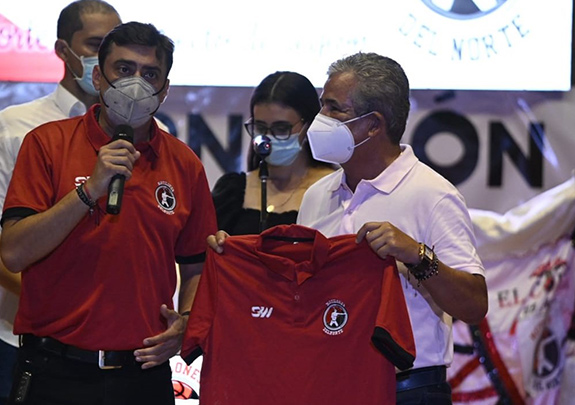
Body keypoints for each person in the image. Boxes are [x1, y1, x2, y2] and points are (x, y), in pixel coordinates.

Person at [208, 51, 488, 404]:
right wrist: (237, 259)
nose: (318, 120)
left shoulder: (432, 194)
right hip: (326, 383)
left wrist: (416, 256)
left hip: (406, 390)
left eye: (333, 109)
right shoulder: (317, 196)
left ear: (373, 124)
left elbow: (474, 305)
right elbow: (296, 296)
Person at [0, 21, 217, 404]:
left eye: (150, 74)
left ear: (164, 90)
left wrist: (185, 323)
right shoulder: (47, 144)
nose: (137, 82)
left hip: (142, 374)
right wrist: (90, 189)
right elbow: (15, 252)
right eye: (124, 69)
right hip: (55, 369)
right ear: (98, 77)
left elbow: (197, 265)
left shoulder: (184, 163)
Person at [0, 2, 120, 404]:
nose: (103, 60)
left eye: (111, 48)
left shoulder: (152, 133)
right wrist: (50, 301)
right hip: (30, 340)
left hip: (124, 348)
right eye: (94, 45)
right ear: (63, 50)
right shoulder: (16, 126)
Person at [212, 71, 336, 235]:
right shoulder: (232, 192)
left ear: (309, 126)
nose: (269, 138)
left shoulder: (335, 189)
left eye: (281, 129)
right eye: (261, 128)